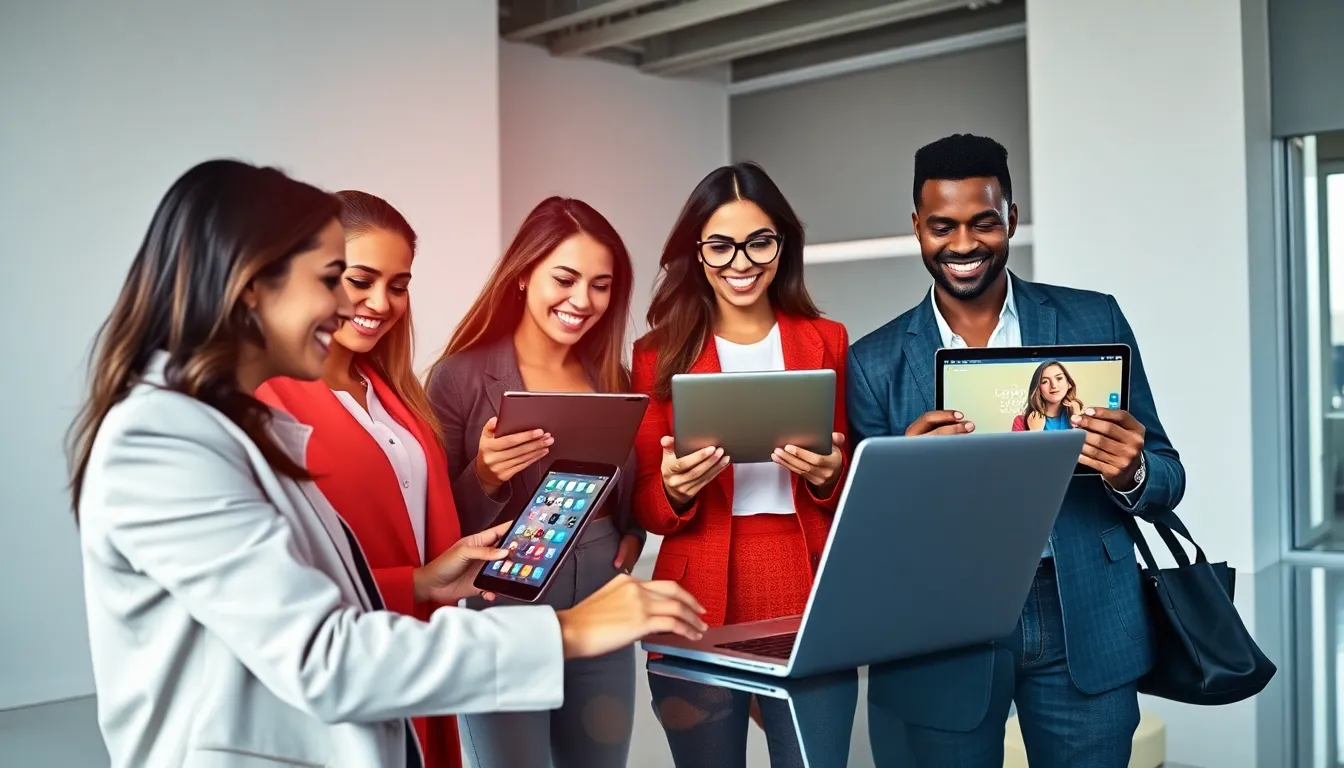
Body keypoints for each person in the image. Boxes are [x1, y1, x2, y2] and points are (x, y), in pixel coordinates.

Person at [69, 160, 708, 768]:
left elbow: (305, 591)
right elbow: (325, 657)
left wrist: (423, 585)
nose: (352, 308)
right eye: (332, 279)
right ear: (251, 284)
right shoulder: (163, 441)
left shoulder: (241, 424)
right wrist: (566, 633)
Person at [846, 134, 1185, 768]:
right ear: (917, 227)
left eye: (984, 223)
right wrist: (904, 480)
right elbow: (861, 539)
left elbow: (1168, 475)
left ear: (1012, 220)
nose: (964, 245)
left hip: (1082, 612)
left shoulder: (1094, 320)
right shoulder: (873, 363)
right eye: (942, 226)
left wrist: (1132, 469)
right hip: (944, 626)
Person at [632, 162, 849, 768]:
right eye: (720, 246)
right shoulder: (655, 354)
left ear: (782, 243)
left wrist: (830, 475)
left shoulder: (826, 338)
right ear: (696, 255)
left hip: (803, 580)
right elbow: (646, 500)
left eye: (759, 242)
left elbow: (848, 472)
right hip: (699, 581)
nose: (741, 262)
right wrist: (674, 491)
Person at [425, 196, 645, 768]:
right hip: (506, 594)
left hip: (600, 587)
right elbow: (436, 529)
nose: (583, 301)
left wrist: (632, 532)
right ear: (524, 274)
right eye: (565, 278)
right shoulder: (460, 378)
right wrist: (487, 475)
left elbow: (626, 487)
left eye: (601, 285)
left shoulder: (611, 376)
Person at [255, 191, 465, 768]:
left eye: (399, 285)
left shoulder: (395, 393)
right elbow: (282, 580)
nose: (382, 302)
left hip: (422, 651)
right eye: (361, 279)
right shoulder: (269, 399)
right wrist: (414, 583)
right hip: (347, 663)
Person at [1011, 360, 1084, 431]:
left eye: (1059, 378)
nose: (1054, 385)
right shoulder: (1021, 422)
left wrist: (1079, 420)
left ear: (1069, 383)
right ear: (1038, 389)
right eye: (1045, 381)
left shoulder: (1083, 415)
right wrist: (1035, 433)